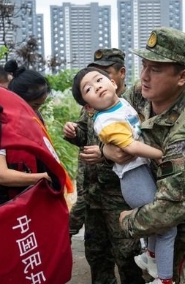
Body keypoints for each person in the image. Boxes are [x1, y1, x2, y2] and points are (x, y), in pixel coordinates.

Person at [105, 27, 185, 284]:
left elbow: (167, 212)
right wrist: (105, 149)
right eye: (144, 65)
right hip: (163, 194)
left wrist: (128, 221)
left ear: (182, 76)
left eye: (155, 69)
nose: (144, 76)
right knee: (157, 269)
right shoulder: (137, 96)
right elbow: (108, 126)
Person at [72, 67, 175, 283]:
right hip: (133, 179)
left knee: (156, 225)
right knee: (165, 226)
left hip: (139, 174)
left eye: (99, 80)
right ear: (88, 106)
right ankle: (164, 279)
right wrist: (163, 155)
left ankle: (151, 257)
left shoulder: (121, 104)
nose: (97, 86)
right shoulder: (107, 121)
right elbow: (131, 147)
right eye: (88, 88)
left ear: (113, 81)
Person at [64, 48, 144, 284]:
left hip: (121, 195)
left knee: (128, 256)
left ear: (119, 74)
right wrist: (74, 131)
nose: (96, 81)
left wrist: (104, 154)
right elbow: (85, 134)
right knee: (97, 253)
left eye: (103, 74)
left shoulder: (134, 102)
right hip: (93, 194)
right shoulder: (92, 102)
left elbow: (137, 146)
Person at [0, 63, 52, 208]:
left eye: (40, 106)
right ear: (17, 99)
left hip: (26, 203)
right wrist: (42, 178)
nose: (35, 112)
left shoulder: (35, 119)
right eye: (34, 105)